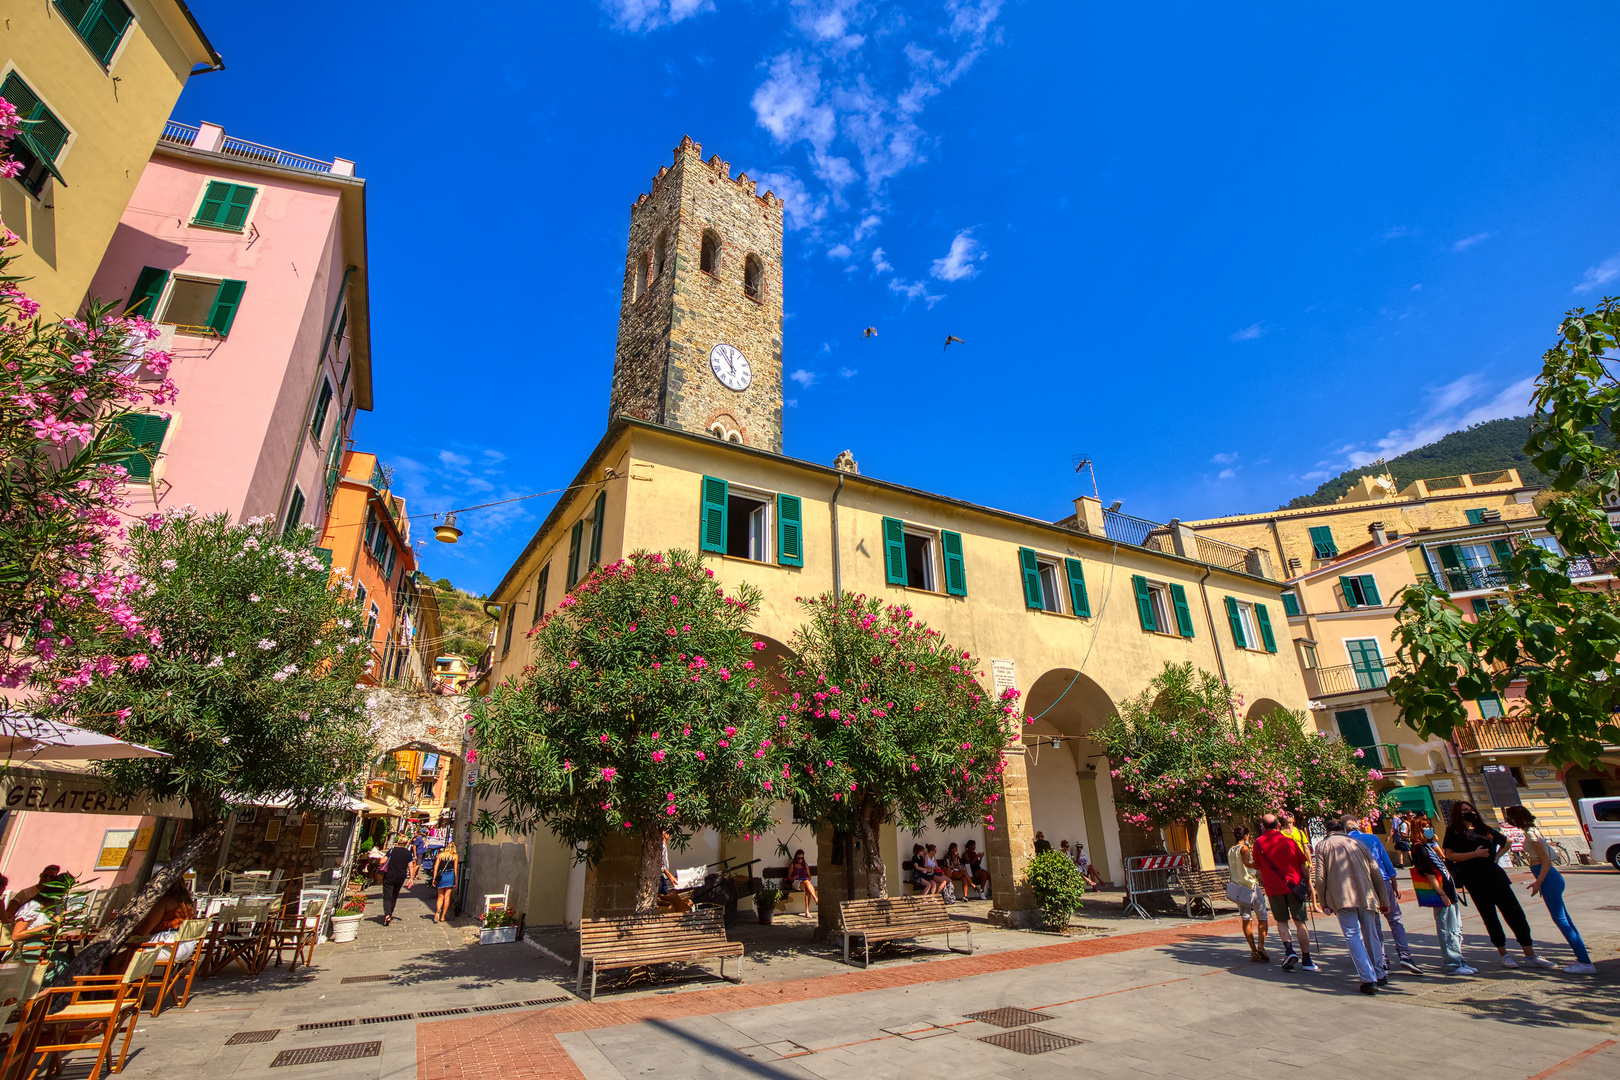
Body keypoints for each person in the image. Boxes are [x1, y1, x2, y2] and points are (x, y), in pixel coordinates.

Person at [1442, 802, 1553, 969]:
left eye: (1471, 809)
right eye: (1465, 811)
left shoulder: (1484, 828)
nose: (1470, 812)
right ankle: (1504, 955)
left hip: (1496, 877)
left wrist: (1496, 857)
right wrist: (1475, 854)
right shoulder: (1454, 832)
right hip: (1475, 880)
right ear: (1457, 814)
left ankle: (1530, 955)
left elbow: (1506, 842)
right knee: (1490, 917)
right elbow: (1450, 856)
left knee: (1516, 914)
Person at [1503, 806, 1595, 974]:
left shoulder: (1531, 834)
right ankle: (1583, 958)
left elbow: (1545, 860)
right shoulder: (1532, 831)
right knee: (1565, 920)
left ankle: (1585, 963)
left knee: (1561, 920)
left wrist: (1539, 881)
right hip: (1549, 877)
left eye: (1510, 818)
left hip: (1547, 877)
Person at [1314, 817, 1391, 994]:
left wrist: (1323, 902)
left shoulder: (1323, 846)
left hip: (1342, 896)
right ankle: (1379, 973)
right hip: (1366, 894)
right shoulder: (1357, 843)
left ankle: (1368, 978)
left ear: (1327, 830)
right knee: (1371, 934)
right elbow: (1375, 871)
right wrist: (1383, 899)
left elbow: (1320, 877)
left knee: (1352, 935)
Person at [1347, 814, 1423, 975]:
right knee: (1395, 919)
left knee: (1373, 924)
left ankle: (1382, 960)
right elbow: (1386, 861)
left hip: (1363, 885)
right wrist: (1394, 883)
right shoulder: (1372, 838)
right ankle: (1405, 955)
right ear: (1358, 825)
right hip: (1383, 880)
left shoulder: (1345, 843)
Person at [1410, 813, 1474, 974]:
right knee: (1447, 927)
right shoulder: (1418, 847)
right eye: (1425, 827)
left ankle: (1459, 959)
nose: (1429, 829)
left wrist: (1433, 842)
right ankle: (1451, 963)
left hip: (1448, 888)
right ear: (1419, 830)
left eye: (1429, 827)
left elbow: (1443, 858)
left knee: (1456, 927)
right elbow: (1428, 872)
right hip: (1441, 891)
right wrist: (1441, 893)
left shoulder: (1428, 846)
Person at [1253, 814, 1317, 972]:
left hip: (1274, 888)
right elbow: (1303, 865)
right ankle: (1307, 959)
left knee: (1282, 921)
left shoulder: (1258, 843)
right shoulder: (1289, 841)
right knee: (1300, 922)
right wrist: (1307, 884)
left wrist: (1263, 880)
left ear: (1263, 826)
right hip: (1294, 885)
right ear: (1278, 825)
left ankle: (1289, 951)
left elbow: (1258, 868)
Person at [1226, 824, 1270, 963]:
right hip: (1250, 886)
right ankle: (1261, 945)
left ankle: (1253, 951)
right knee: (1262, 916)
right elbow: (1246, 863)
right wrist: (1258, 865)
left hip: (1238, 888)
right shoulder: (1244, 848)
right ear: (1246, 836)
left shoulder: (1230, 850)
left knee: (1246, 918)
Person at [380, 834, 416, 925]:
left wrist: (380, 857)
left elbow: (382, 861)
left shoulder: (392, 850)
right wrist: (411, 878)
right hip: (400, 877)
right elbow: (411, 866)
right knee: (394, 896)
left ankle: (387, 915)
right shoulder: (408, 853)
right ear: (406, 843)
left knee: (387, 896)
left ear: (398, 842)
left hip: (389, 876)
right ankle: (390, 914)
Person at [431, 842, 459, 924]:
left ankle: (437, 911)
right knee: (447, 898)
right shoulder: (455, 856)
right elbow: (456, 869)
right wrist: (456, 880)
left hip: (441, 876)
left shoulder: (441, 855)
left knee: (440, 896)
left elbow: (436, 867)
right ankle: (443, 916)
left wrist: (434, 878)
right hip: (450, 876)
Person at [787, 849, 818, 914]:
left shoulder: (805, 865)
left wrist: (807, 878)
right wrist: (793, 878)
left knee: (807, 887)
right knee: (807, 883)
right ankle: (816, 898)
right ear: (796, 858)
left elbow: (809, 876)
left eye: (801, 858)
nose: (800, 860)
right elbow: (788, 877)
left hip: (804, 882)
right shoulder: (793, 865)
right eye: (798, 858)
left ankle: (807, 911)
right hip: (796, 882)